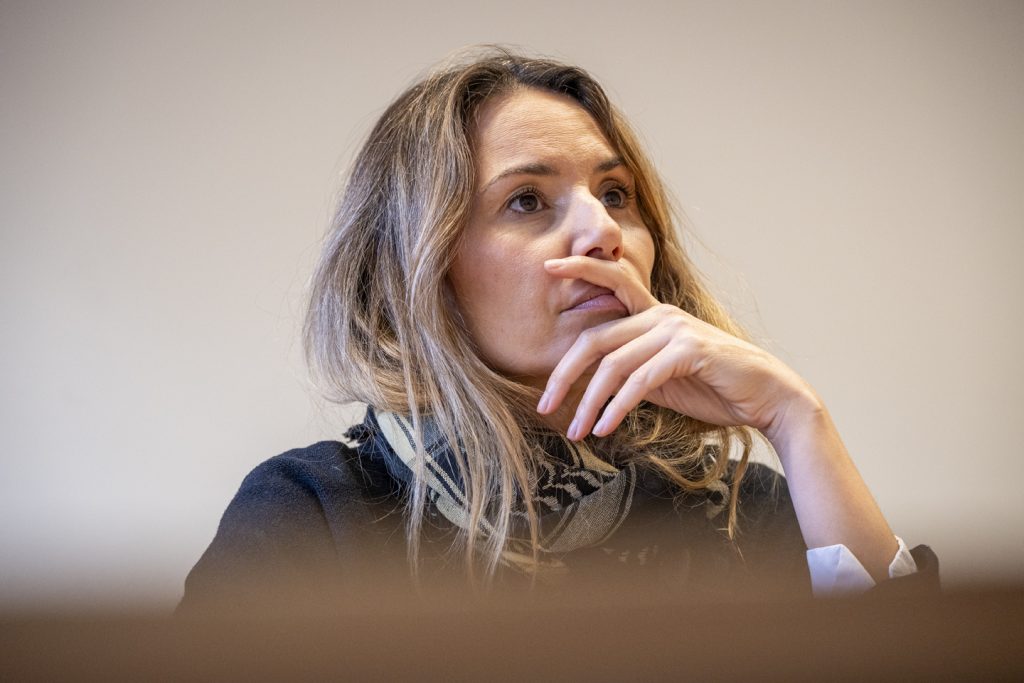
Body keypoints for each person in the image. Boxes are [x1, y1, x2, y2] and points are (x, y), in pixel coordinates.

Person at [181, 48, 937, 609]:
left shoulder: (746, 511)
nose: (603, 231)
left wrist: (796, 419)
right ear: (421, 268)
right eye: (526, 201)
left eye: (616, 193)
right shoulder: (316, 512)